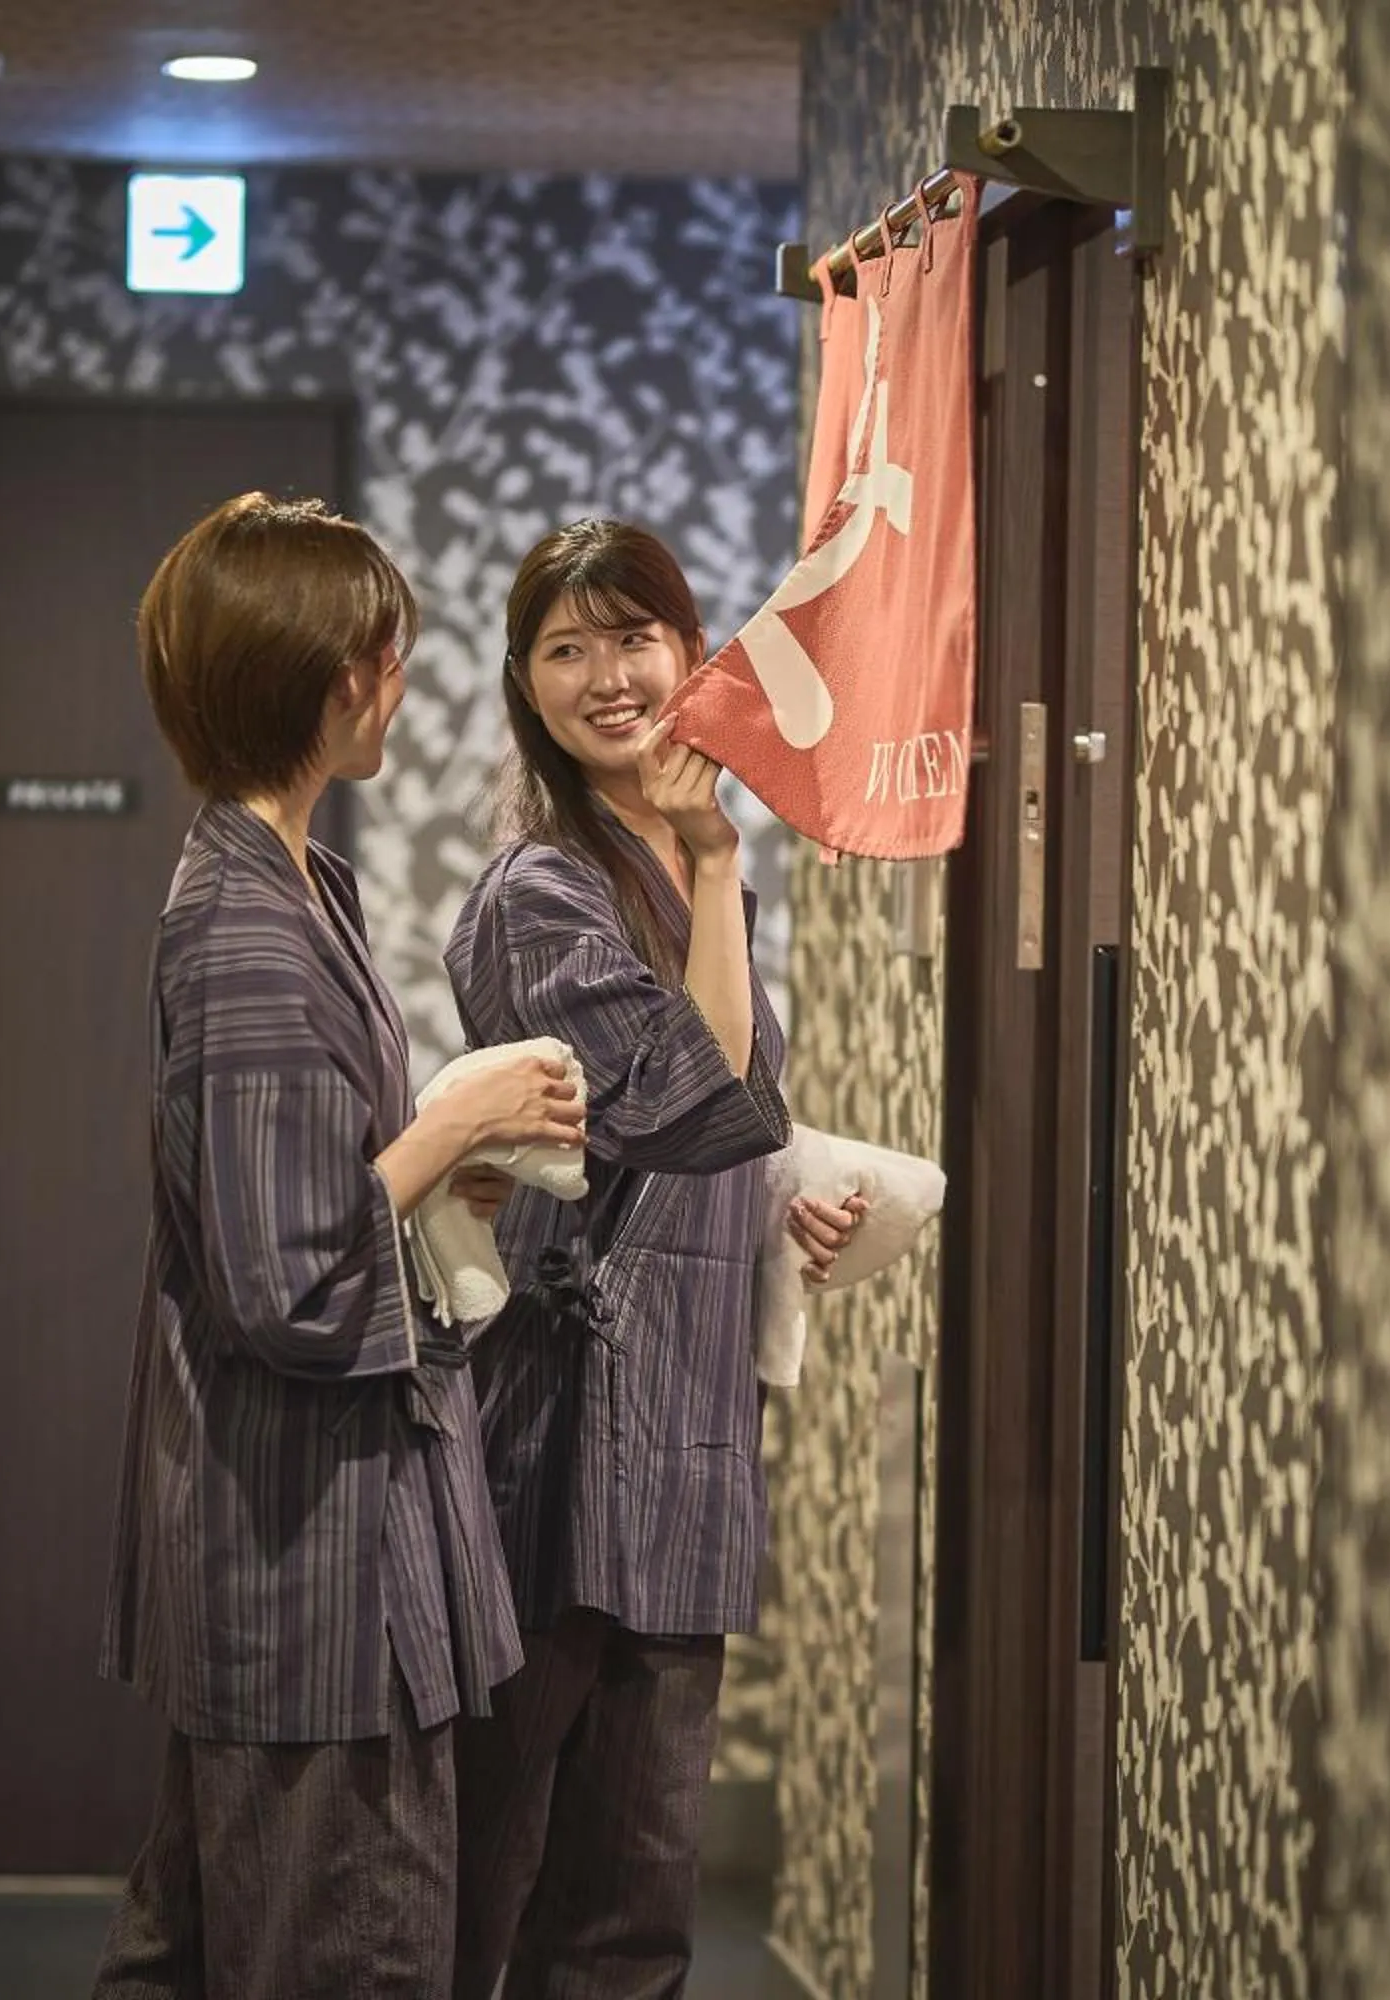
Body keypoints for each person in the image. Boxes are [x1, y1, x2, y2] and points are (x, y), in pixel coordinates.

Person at [92, 492, 579, 1999]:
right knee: (344, 1952)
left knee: (203, 1943)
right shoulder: (245, 927)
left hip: (314, 1545)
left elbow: (305, 1204)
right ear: (321, 675)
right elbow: (288, 1280)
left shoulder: (293, 881)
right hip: (313, 1569)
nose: (400, 678)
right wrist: (455, 1119)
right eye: (383, 653)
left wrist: (437, 1181)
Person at [444, 518, 861, 1996]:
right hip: (551, 1444)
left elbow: (738, 1130)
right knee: (477, 1889)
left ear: (691, 656)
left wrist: (785, 1201)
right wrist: (711, 849)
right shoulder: (541, 893)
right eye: (569, 648)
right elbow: (685, 1099)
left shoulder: (689, 875)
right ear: (524, 686)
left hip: (682, 1446)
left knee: (631, 1912)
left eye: (637, 638)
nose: (610, 676)